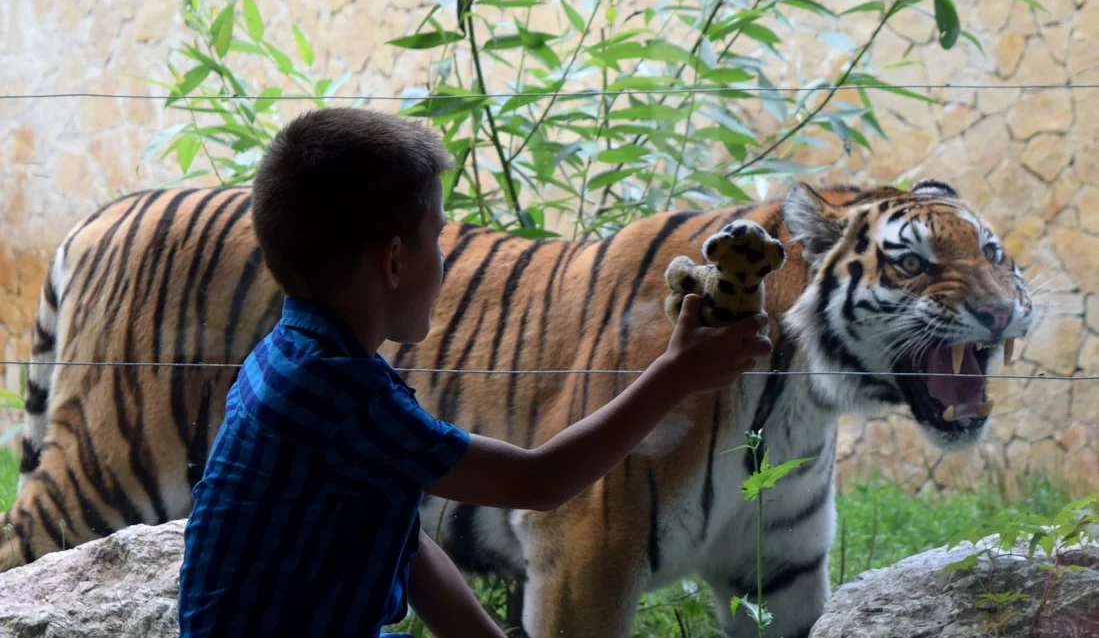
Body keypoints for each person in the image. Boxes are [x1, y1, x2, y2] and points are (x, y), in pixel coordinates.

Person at [177, 107, 773, 638]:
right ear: (392, 260)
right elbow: (539, 483)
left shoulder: (295, 355)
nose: (445, 256)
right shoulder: (338, 394)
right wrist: (675, 374)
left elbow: (397, 539)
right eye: (437, 236)